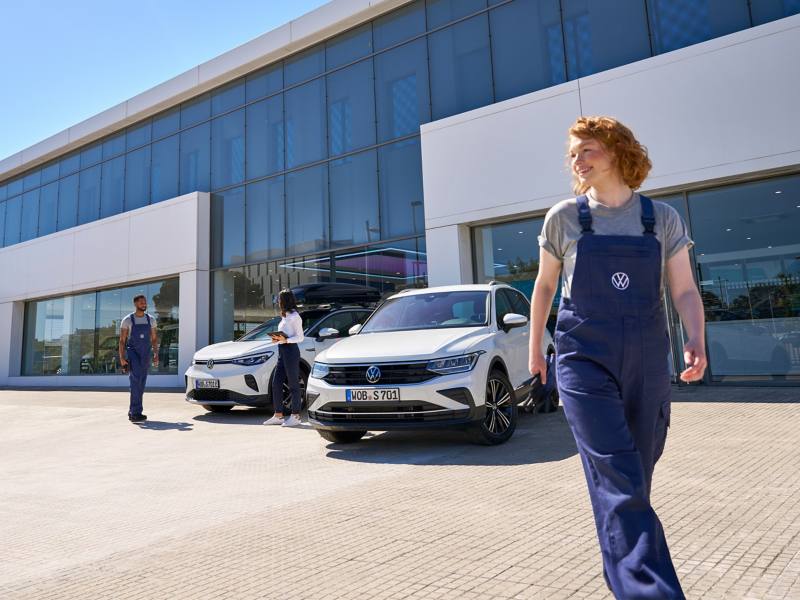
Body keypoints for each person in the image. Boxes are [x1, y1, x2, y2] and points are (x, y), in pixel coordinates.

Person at [528, 116, 706, 600]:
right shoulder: (564, 217)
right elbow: (544, 286)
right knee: (619, 475)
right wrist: (536, 350)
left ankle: (624, 577)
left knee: (634, 480)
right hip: (584, 358)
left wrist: (696, 338)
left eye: (587, 150)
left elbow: (685, 289)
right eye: (572, 154)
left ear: (617, 150)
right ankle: (652, 592)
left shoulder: (661, 218)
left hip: (647, 358)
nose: (577, 161)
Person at [263, 289, 305, 427]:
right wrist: (278, 339)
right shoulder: (284, 316)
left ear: (285, 300)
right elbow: (285, 335)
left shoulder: (295, 316)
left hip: (291, 351)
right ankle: (278, 415)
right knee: (276, 383)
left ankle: (296, 416)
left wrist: (286, 341)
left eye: (279, 299)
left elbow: (300, 337)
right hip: (282, 350)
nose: (278, 301)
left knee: (293, 383)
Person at [119, 294, 159, 424]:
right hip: (133, 353)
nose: (144, 304)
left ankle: (132, 411)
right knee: (135, 380)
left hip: (145, 353)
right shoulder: (128, 320)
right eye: (141, 302)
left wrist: (156, 354)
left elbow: (153, 338)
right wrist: (121, 358)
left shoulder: (150, 319)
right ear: (135, 304)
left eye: (145, 302)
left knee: (141, 382)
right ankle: (136, 413)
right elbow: (122, 341)